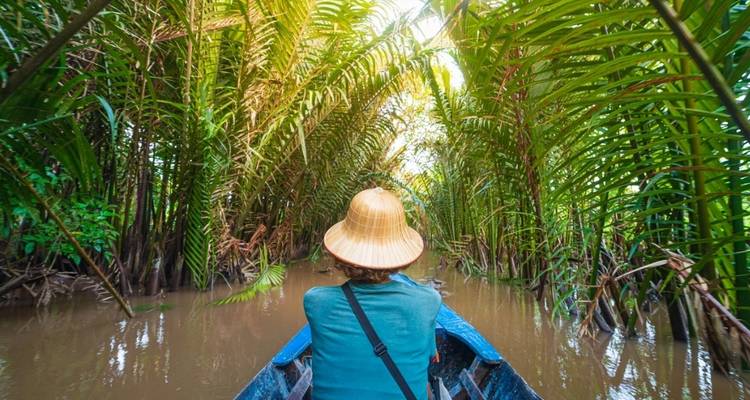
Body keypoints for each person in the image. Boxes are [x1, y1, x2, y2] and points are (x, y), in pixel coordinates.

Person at [303, 187, 442, 400]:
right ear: (400, 256)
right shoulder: (428, 302)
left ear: (341, 254)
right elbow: (433, 357)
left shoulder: (316, 302)